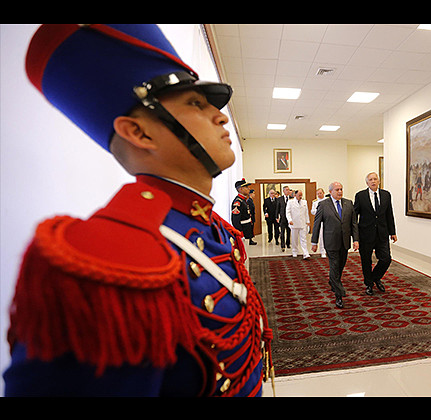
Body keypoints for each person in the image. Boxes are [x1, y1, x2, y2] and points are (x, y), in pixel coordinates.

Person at [3, 24, 273, 397]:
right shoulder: (100, 263)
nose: (221, 116)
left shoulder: (217, 231)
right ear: (139, 133)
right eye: (195, 103)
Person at [311, 182, 359, 308]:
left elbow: (353, 223)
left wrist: (356, 240)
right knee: (334, 265)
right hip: (331, 242)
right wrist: (314, 241)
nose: (340, 192)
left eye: (341, 189)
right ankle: (339, 294)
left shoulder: (348, 203)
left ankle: (333, 281)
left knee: (340, 265)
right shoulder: (323, 205)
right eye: (337, 189)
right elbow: (317, 224)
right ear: (331, 191)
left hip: (344, 242)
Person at [354, 172, 397, 296]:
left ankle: (375, 277)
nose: (373, 181)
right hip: (365, 234)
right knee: (366, 261)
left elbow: (389, 214)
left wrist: (392, 232)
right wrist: (355, 236)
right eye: (370, 180)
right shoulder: (360, 196)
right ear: (367, 183)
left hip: (382, 234)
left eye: (375, 179)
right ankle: (369, 284)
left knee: (386, 259)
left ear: (379, 181)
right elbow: (354, 216)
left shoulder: (386, 195)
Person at [286, 190, 311, 259]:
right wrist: (289, 220)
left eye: (301, 195)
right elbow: (287, 212)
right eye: (299, 195)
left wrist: (308, 221)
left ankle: (305, 253)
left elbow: (306, 212)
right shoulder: (290, 202)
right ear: (295, 195)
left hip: (302, 223)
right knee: (294, 239)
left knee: (304, 239)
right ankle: (294, 251)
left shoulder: (304, 202)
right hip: (294, 223)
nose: (300, 196)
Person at [231, 179, 256, 245]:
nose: (249, 189)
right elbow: (235, 220)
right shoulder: (238, 202)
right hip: (243, 231)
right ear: (241, 189)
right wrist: (240, 233)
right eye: (246, 187)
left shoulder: (243, 200)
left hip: (247, 230)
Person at [310, 188, 327, 258]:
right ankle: (322, 251)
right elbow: (312, 211)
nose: (319, 195)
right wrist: (318, 211)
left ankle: (328, 250)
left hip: (328, 220)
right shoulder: (315, 202)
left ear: (323, 193)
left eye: (320, 193)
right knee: (321, 237)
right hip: (320, 221)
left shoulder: (328, 200)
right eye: (318, 194)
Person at [276, 186, 292, 251]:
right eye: (286, 190)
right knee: (282, 232)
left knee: (289, 231)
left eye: (288, 190)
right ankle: (282, 245)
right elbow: (277, 209)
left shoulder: (292, 199)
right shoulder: (279, 199)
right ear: (283, 191)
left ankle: (288, 243)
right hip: (282, 218)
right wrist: (277, 217)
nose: (288, 191)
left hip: (289, 218)